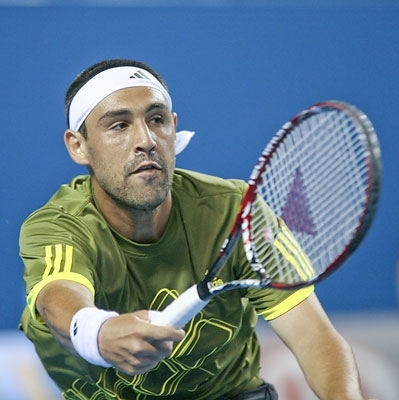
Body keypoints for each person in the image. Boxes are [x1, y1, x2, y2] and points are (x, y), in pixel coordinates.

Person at [19, 58, 368, 400]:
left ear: (173, 127)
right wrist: (98, 333)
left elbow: (313, 337)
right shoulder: (59, 226)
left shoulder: (234, 211)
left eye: (157, 120)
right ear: (78, 146)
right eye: (119, 125)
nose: (146, 140)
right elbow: (57, 299)